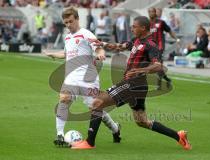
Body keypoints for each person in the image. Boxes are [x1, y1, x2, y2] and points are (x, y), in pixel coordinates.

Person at [71, 16, 192, 150]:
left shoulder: (151, 45)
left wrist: (140, 70)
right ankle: (178, 136)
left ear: (143, 28)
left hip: (133, 83)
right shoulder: (136, 40)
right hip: (138, 86)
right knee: (142, 122)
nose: (131, 28)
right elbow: (121, 46)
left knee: (97, 102)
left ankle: (89, 143)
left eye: (134, 26)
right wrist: (103, 44)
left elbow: (158, 66)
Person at [44, 7, 121, 146]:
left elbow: (97, 47)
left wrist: (100, 53)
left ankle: (115, 128)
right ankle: (60, 135)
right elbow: (67, 54)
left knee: (95, 108)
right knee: (64, 98)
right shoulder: (67, 36)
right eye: (66, 22)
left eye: (71, 21)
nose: (68, 25)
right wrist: (54, 54)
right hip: (71, 77)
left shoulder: (86, 34)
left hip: (88, 78)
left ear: (77, 19)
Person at [148, 7, 179, 90]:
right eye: (149, 12)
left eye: (152, 12)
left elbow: (169, 30)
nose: (150, 13)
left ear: (155, 13)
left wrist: (176, 38)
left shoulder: (161, 23)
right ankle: (167, 79)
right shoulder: (146, 23)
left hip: (159, 46)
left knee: (157, 65)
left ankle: (159, 85)